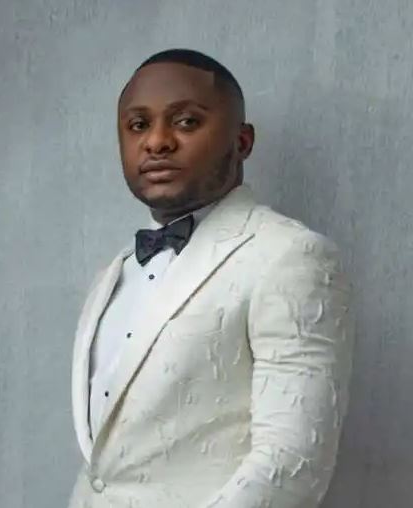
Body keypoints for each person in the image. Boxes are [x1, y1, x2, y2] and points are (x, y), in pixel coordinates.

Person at [69, 48, 354, 508]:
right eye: (138, 125)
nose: (156, 142)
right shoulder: (113, 272)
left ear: (242, 141)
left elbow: (292, 464)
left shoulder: (290, 256)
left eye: (186, 122)